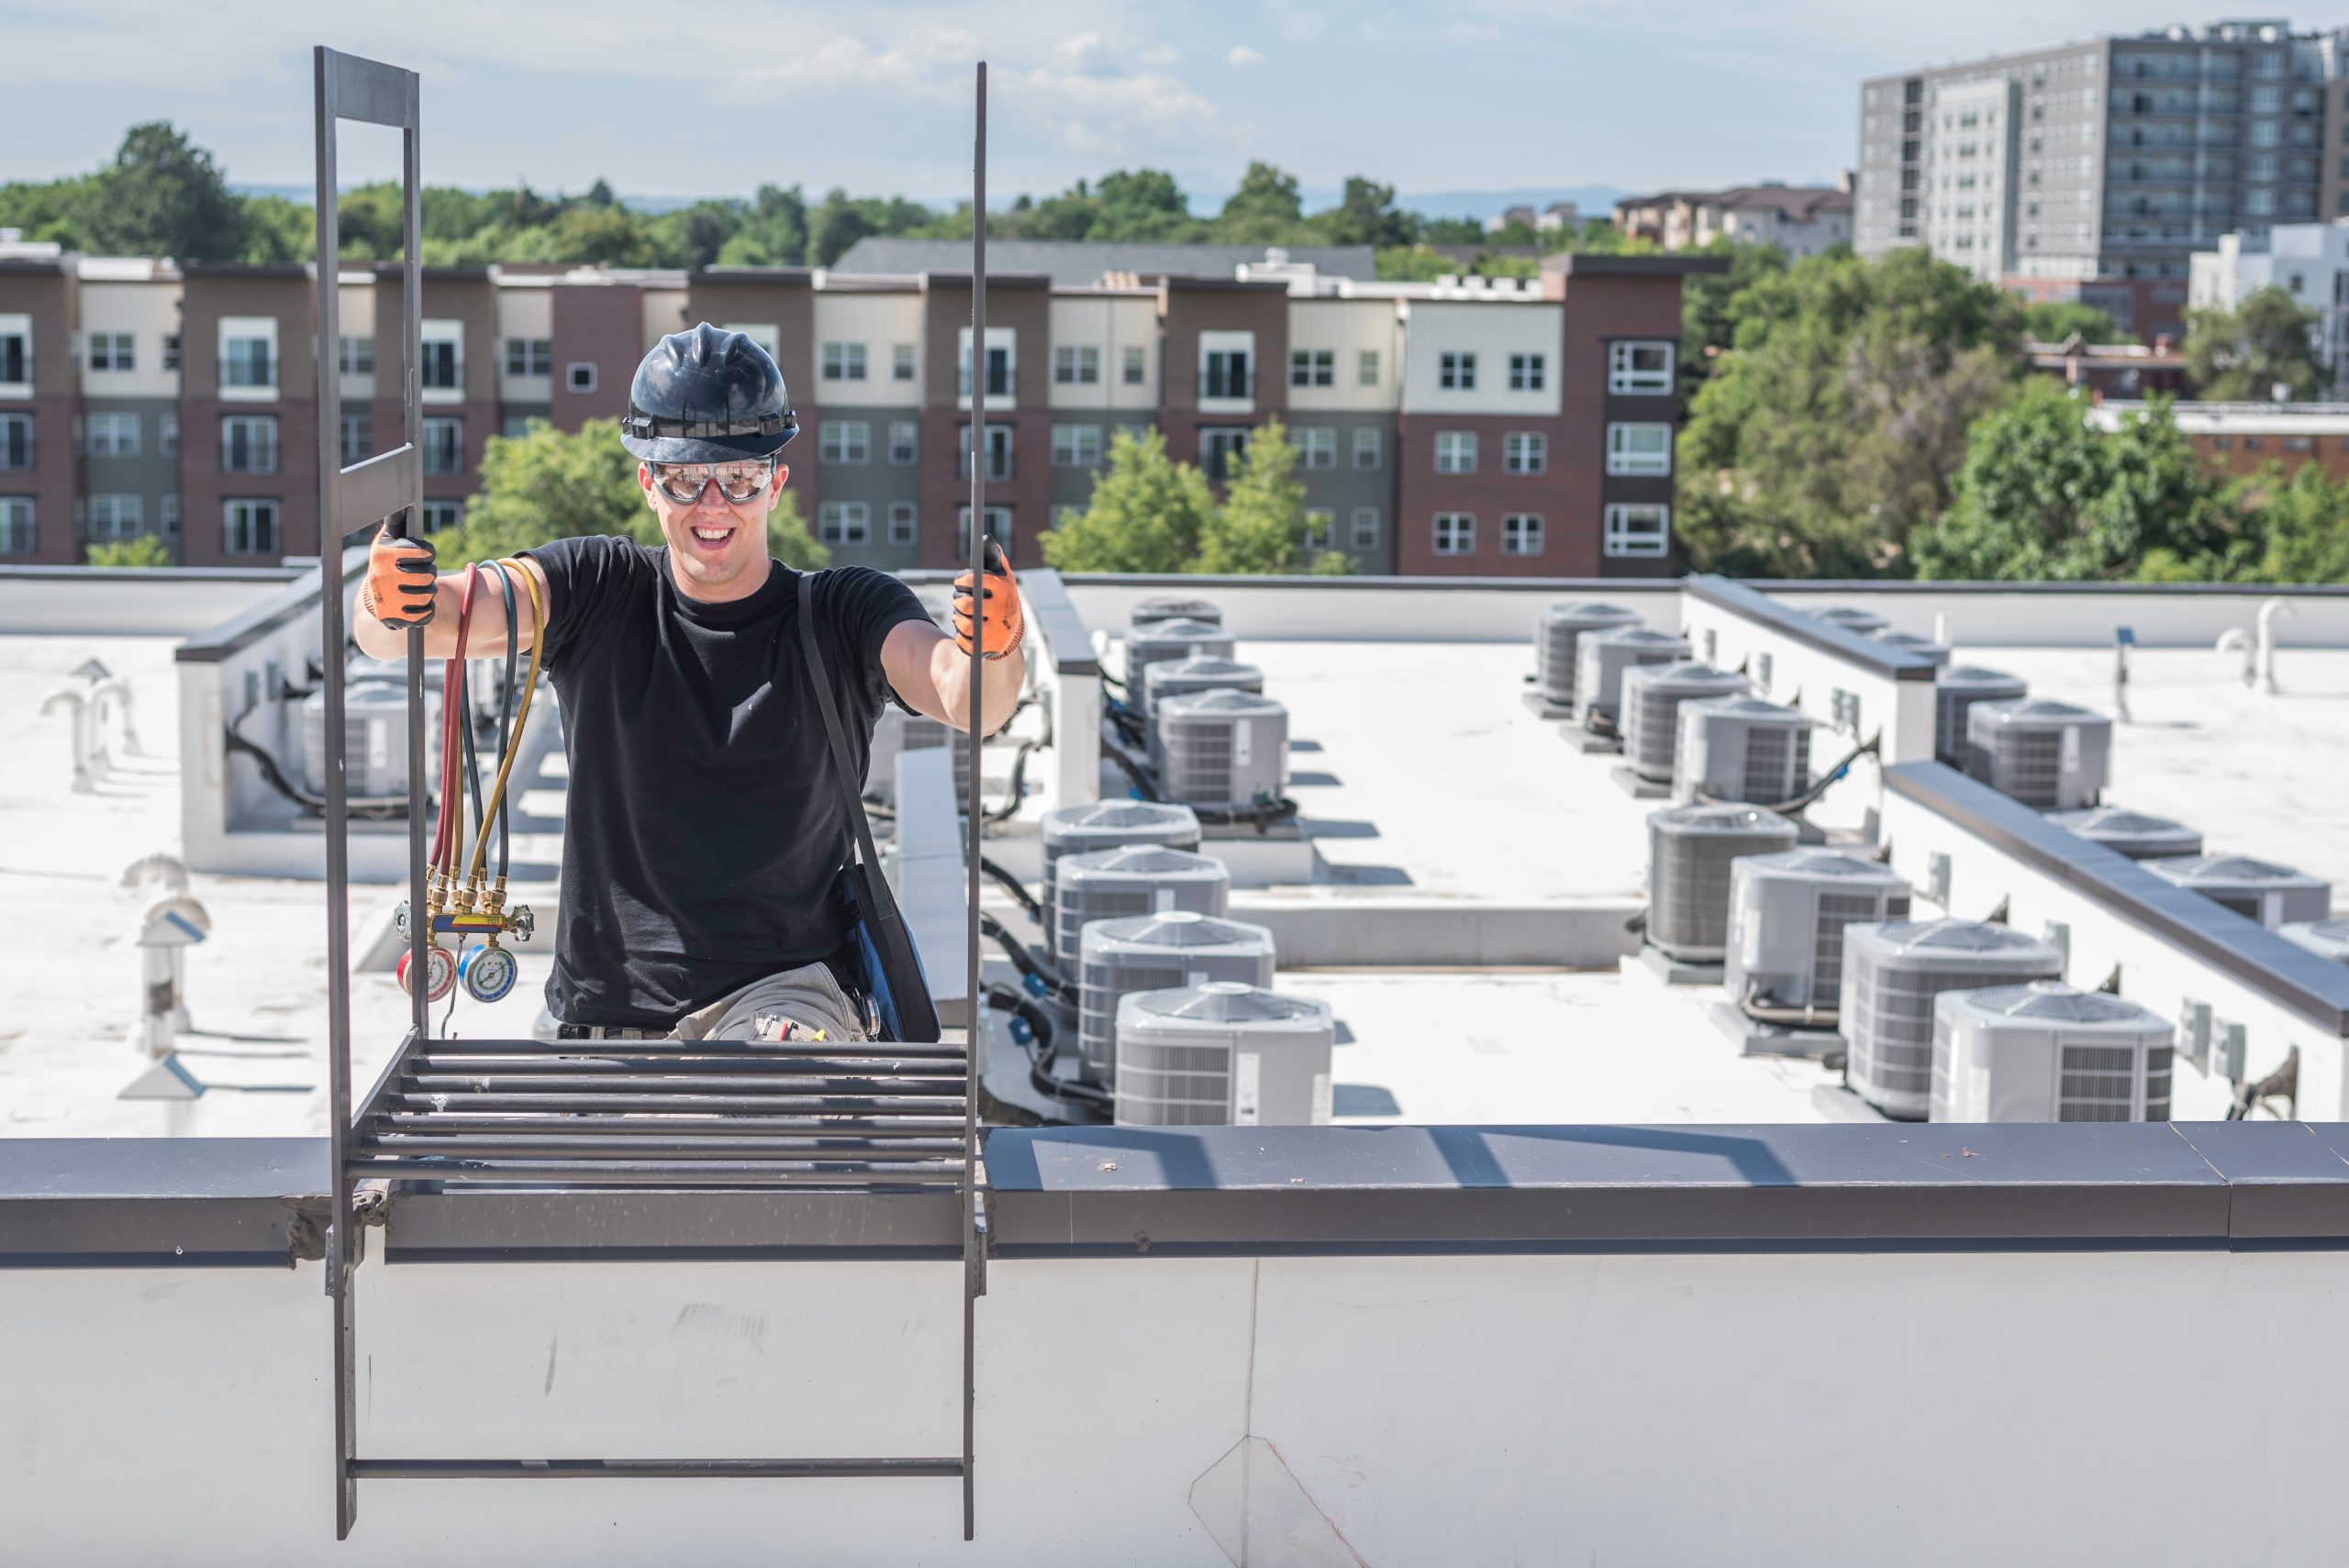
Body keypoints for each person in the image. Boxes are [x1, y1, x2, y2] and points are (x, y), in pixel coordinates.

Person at [352, 323, 1025, 1042]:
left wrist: (994, 645)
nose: (713, 504)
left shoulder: (842, 612)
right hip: (602, 1017)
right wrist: (389, 601)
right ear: (648, 483)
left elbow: (963, 694)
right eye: (685, 479)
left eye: (739, 478)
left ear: (775, 483)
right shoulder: (600, 587)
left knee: (763, 1116)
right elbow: (438, 620)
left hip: (785, 1001)